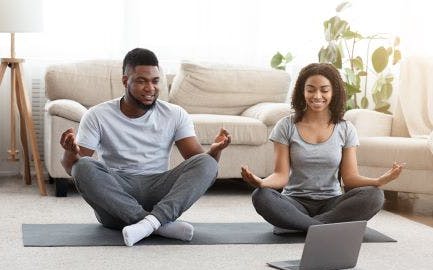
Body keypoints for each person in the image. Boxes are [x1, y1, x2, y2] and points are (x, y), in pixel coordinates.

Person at [60, 48, 231, 246]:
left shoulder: (175, 114)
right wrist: (69, 152)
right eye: (142, 81)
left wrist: (215, 151)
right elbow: (72, 168)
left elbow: (198, 164)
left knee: (207, 163)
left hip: (159, 191)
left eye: (155, 81)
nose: (150, 88)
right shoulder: (97, 115)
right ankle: (159, 225)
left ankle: (147, 224)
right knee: (83, 166)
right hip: (116, 199)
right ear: (126, 81)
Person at [241, 63, 404, 233]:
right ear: (302, 92)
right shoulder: (285, 126)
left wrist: (378, 181)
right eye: (310, 90)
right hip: (295, 202)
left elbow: (349, 178)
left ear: (334, 92)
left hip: (331, 203)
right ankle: (321, 228)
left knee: (375, 196)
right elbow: (281, 176)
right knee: (261, 196)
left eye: (324, 90)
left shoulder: (346, 129)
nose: (317, 96)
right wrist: (262, 182)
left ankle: (300, 225)